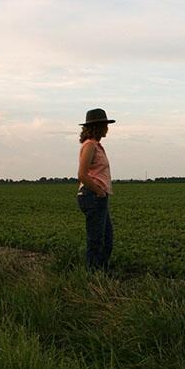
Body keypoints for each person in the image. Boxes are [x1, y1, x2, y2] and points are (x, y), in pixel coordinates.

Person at [76, 108, 115, 271]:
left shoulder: (96, 146)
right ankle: (94, 276)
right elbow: (82, 174)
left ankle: (101, 272)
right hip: (92, 195)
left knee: (106, 239)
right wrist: (99, 191)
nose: (107, 127)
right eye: (105, 124)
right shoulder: (90, 146)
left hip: (97, 196)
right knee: (96, 240)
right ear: (97, 127)